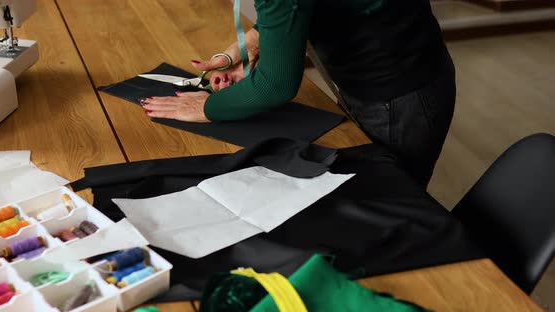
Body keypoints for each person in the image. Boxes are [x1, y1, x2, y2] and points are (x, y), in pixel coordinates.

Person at [139, 0, 456, 186]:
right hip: (397, 72)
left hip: (398, 94)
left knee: (390, 200)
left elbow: (274, 85)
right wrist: (256, 40)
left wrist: (209, 108)